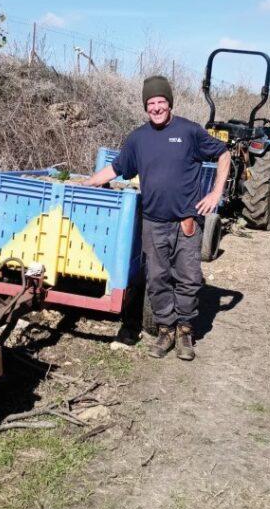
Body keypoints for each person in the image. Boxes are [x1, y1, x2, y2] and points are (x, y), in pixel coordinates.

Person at [83, 75, 231, 361]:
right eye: (151, 103)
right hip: (153, 222)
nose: (156, 107)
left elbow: (223, 154)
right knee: (157, 278)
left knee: (188, 278)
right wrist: (87, 183)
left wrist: (215, 194)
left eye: (161, 101)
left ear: (170, 103)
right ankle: (166, 330)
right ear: (145, 107)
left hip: (186, 222)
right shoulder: (138, 138)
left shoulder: (189, 131)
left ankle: (185, 332)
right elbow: (116, 168)